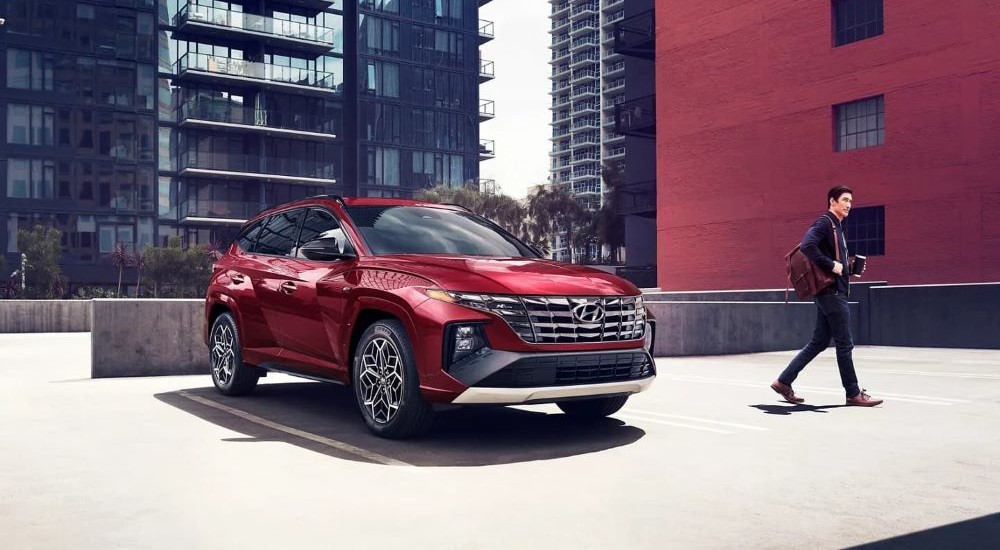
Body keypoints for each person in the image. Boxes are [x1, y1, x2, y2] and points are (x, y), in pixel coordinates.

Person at [770, 186, 883, 407]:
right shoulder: (824, 223)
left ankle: (784, 381)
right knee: (845, 344)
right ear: (832, 202)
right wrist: (831, 264)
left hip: (831, 292)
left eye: (851, 201)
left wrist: (849, 268)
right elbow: (807, 245)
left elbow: (835, 263)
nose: (849, 204)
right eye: (844, 200)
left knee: (819, 342)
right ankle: (853, 393)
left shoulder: (837, 227)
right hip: (832, 294)